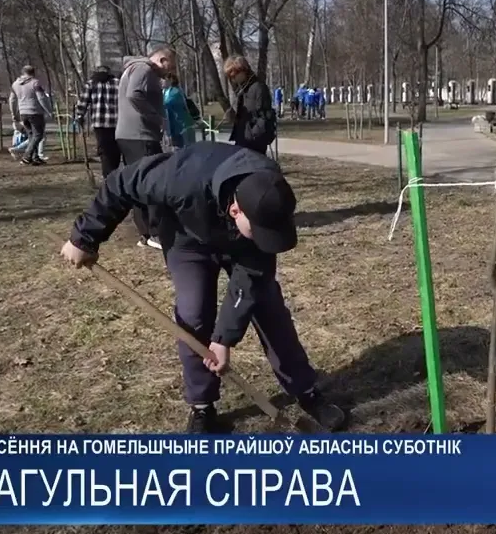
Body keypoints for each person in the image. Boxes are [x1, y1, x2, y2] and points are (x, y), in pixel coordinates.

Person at [58, 141, 347, 434]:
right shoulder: (179, 178)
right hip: (186, 235)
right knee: (193, 313)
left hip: (240, 244)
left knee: (268, 307)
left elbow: (251, 280)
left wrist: (223, 339)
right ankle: (202, 407)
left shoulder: (268, 192)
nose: (266, 237)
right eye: (259, 231)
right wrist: (84, 238)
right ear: (235, 210)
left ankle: (306, 391)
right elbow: (120, 183)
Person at [116, 45, 175, 250]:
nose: (170, 71)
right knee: (152, 182)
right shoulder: (144, 68)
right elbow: (134, 95)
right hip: (141, 135)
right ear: (162, 60)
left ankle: (146, 232)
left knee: (138, 182)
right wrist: (156, 118)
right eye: (170, 66)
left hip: (129, 135)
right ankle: (155, 232)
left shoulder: (133, 69)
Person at [75, 64, 121, 177]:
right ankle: (114, 173)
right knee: (115, 150)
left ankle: (108, 175)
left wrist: (79, 115)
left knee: (104, 150)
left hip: (99, 123)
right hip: (116, 123)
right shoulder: (117, 83)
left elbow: (83, 102)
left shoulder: (91, 83)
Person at [223, 55, 276, 154]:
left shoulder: (259, 88)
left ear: (243, 70)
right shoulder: (243, 90)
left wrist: (254, 136)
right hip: (242, 140)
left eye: (233, 75)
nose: (232, 79)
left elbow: (264, 117)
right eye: (230, 77)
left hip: (254, 144)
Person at [10, 65, 49, 166]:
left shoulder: (15, 84)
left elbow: (12, 100)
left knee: (32, 135)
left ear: (22, 72)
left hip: (23, 113)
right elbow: (41, 98)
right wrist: (49, 110)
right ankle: (27, 156)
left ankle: (35, 158)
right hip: (35, 112)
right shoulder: (35, 83)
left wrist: (14, 113)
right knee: (39, 135)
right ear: (33, 72)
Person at [163, 74, 192, 150]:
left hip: (178, 126)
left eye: (164, 80)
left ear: (169, 81)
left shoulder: (173, 92)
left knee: (180, 148)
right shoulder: (170, 91)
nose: (162, 82)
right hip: (177, 126)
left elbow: (166, 104)